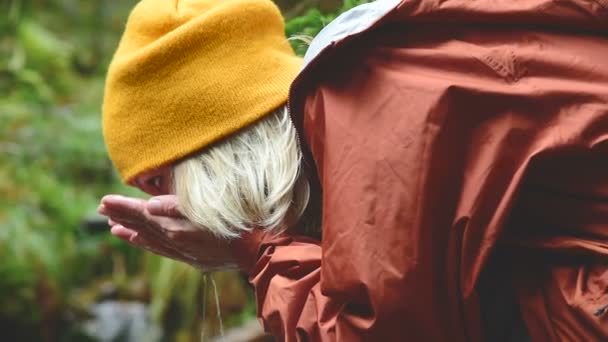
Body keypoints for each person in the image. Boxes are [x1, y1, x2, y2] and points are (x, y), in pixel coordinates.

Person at [98, 0, 608, 340]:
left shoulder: (369, 109)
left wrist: (253, 247)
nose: (168, 206)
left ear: (209, 154)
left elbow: (379, 333)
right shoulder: (384, 71)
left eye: (158, 183)